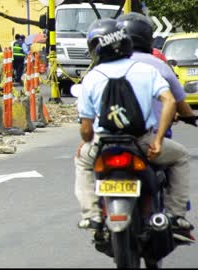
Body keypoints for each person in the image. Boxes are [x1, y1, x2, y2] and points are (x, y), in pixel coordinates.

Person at [74, 18, 194, 243]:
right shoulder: (145, 70)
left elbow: (86, 127)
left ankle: (91, 216)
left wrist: (88, 141)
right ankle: (175, 215)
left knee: (82, 162)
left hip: (103, 143)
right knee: (181, 157)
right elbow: (170, 101)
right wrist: (158, 140)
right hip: (142, 141)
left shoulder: (92, 76)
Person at [117, 12, 196, 139]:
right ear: (148, 39)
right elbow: (176, 102)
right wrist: (190, 117)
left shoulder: (105, 67)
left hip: (110, 139)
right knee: (183, 157)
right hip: (151, 138)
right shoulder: (158, 66)